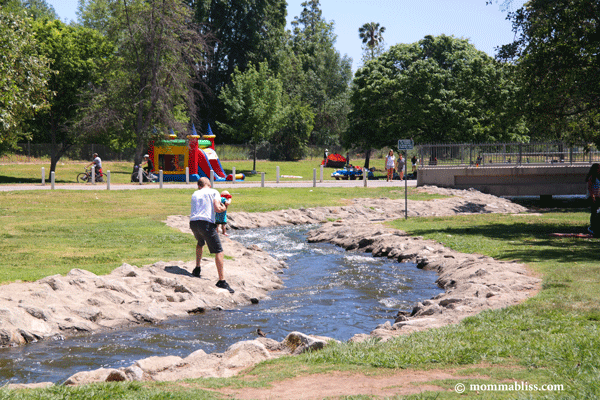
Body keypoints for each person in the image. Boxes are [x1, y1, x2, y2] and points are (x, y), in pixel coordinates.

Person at [189, 177, 234, 293]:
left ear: (199, 185)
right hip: (206, 223)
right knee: (219, 250)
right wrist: (224, 207)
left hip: (193, 222)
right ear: (208, 184)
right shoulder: (214, 192)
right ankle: (221, 281)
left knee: (200, 243)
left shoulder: (195, 193)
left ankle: (197, 268)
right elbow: (217, 208)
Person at [586, 163, 600, 236]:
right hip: (593, 198)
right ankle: (592, 227)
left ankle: (596, 227)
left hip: (598, 197)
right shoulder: (592, 178)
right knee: (594, 212)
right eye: (598, 168)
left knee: (597, 212)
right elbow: (590, 188)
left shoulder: (598, 177)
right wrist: (593, 197)